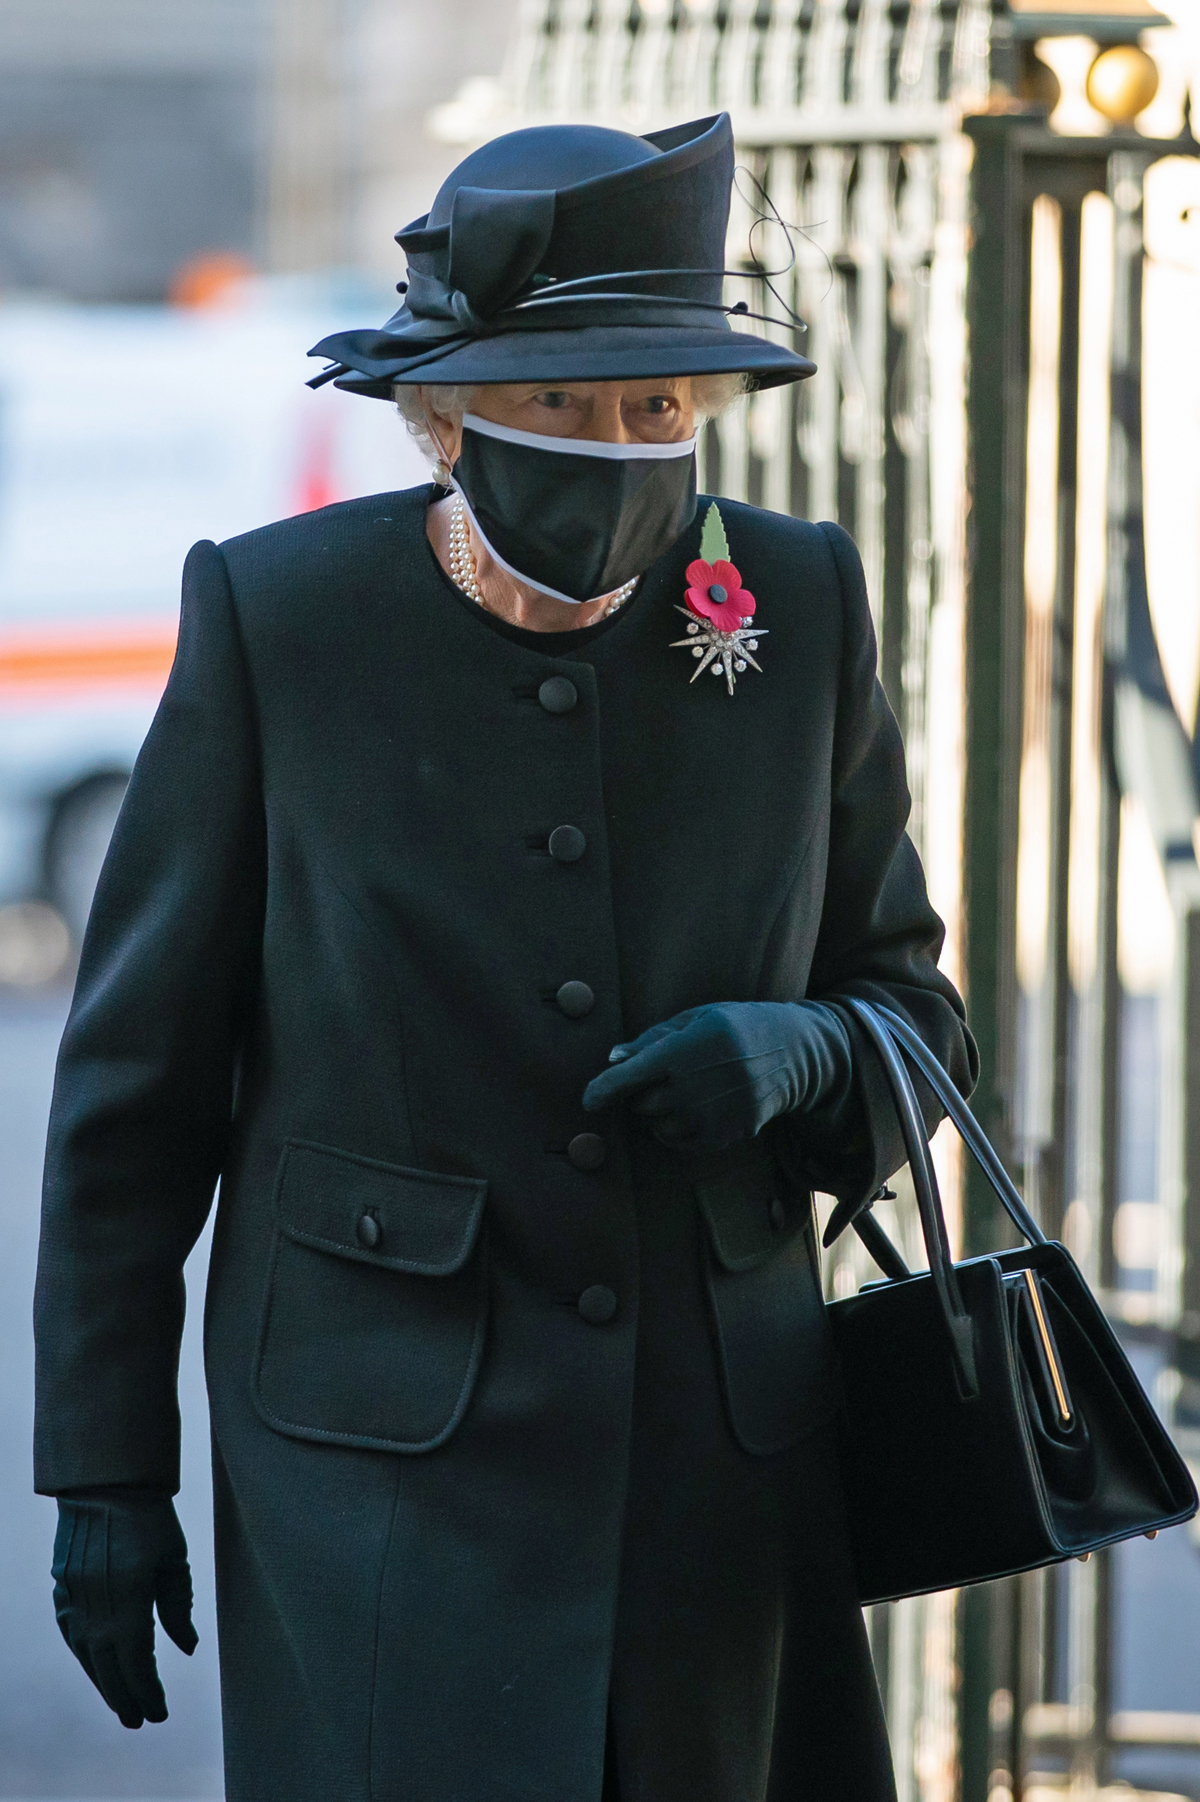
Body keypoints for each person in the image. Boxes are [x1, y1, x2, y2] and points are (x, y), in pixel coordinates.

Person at [34, 112, 976, 1801]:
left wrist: (802, 1049)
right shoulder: (280, 620)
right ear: (447, 420)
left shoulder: (799, 600)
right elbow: (137, 1084)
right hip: (377, 1463)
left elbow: (914, 1010)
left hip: (720, 1461)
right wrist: (104, 1468)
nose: (621, 447)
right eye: (562, 404)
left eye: (657, 408)